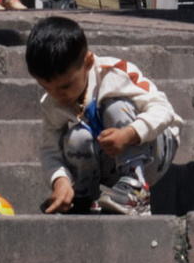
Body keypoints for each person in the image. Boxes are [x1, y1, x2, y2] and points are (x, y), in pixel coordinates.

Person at [26, 16, 179, 215]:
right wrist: (60, 180)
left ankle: (136, 188)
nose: (58, 95)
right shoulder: (52, 102)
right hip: (108, 164)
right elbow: (50, 149)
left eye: (66, 86)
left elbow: (163, 109)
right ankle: (82, 197)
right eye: (46, 88)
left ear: (88, 62)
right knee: (76, 137)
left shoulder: (114, 74)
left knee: (115, 105)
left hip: (154, 150)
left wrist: (130, 134)